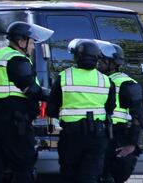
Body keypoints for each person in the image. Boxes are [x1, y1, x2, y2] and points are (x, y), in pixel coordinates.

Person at [0, 21, 53, 183]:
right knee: (23, 168)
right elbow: (31, 89)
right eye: (32, 43)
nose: (32, 47)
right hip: (13, 124)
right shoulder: (17, 60)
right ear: (21, 42)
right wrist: (52, 95)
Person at [47, 39, 116, 183]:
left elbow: (51, 108)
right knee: (90, 177)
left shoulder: (64, 77)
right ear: (97, 59)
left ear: (76, 57)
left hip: (71, 136)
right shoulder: (106, 81)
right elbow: (110, 108)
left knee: (69, 176)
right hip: (97, 136)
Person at [97, 41, 143, 183]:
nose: (98, 63)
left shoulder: (126, 84)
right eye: (98, 60)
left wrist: (132, 144)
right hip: (100, 134)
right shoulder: (100, 80)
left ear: (113, 63)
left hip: (118, 136)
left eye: (103, 60)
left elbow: (139, 116)